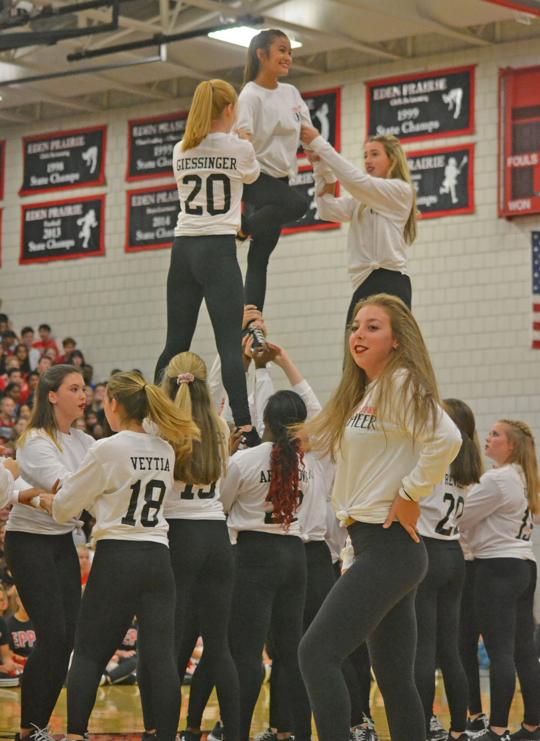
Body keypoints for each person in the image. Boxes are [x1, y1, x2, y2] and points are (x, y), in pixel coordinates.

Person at [297, 293, 462, 741]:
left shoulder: (402, 382)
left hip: (390, 548)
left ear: (395, 340)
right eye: (355, 326)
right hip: (377, 547)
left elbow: (447, 438)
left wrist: (411, 493)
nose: (359, 334)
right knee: (393, 679)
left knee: (316, 654)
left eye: (372, 326)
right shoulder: (370, 391)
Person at [40, 370, 198, 741]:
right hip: (159, 559)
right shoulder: (164, 448)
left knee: (90, 652)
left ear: (114, 405)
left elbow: (65, 509)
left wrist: (48, 499)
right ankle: (165, 734)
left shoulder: (107, 447)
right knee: (160, 659)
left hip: (118, 558)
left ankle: (77, 733)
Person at [154, 78, 261, 447]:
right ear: (229, 109)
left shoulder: (179, 149)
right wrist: (245, 138)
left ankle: (152, 418)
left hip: (183, 248)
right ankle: (245, 429)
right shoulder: (239, 148)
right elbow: (253, 175)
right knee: (230, 344)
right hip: (217, 249)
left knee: (174, 343)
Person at [140, 352, 239, 741]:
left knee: (165, 645)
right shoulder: (218, 426)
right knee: (219, 648)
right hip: (217, 535)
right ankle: (236, 733)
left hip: (178, 535)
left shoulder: (156, 426)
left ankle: (159, 731)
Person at [5, 365, 94, 741]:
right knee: (53, 635)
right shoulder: (34, 440)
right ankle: (30, 728)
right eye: (74, 388)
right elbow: (68, 488)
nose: (83, 394)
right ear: (52, 395)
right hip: (28, 540)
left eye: (84, 387)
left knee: (68, 638)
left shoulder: (87, 441)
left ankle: (36, 727)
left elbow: (81, 494)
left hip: (62, 541)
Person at [220, 389, 313, 741]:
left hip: (254, 556)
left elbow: (221, 505)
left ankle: (237, 734)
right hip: (294, 555)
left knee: (245, 654)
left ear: (266, 422)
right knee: (291, 654)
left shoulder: (244, 460)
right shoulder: (306, 464)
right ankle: (297, 732)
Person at [459, 419, 540, 741]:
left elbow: (460, 517)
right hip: (524, 566)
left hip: (496, 568)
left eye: (495, 435)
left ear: (512, 446)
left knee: (501, 652)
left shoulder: (498, 478)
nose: (488, 439)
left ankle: (497, 729)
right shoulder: (524, 477)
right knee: (523, 650)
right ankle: (532, 726)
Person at [415, 399, 484, 741]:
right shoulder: (463, 466)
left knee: (424, 650)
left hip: (427, 552)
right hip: (453, 555)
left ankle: (427, 723)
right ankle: (459, 728)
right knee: (450, 650)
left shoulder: (431, 458)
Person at [299, 126, 417, 323]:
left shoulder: (401, 190)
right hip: (363, 283)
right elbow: (326, 209)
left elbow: (356, 182)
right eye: (365, 155)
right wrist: (322, 168)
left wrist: (319, 143)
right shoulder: (361, 201)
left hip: (391, 281)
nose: (368, 160)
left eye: (374, 154)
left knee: (391, 351)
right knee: (355, 348)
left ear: (392, 159)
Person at [236, 28, 311, 310]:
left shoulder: (291, 93)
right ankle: (242, 228)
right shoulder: (250, 95)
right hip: (255, 178)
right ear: (261, 54)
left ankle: (250, 320)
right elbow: (242, 137)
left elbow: (308, 133)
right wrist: (249, 177)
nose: (288, 57)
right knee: (299, 204)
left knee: (260, 256)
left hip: (279, 180)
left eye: (290, 52)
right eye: (282, 50)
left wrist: (325, 167)